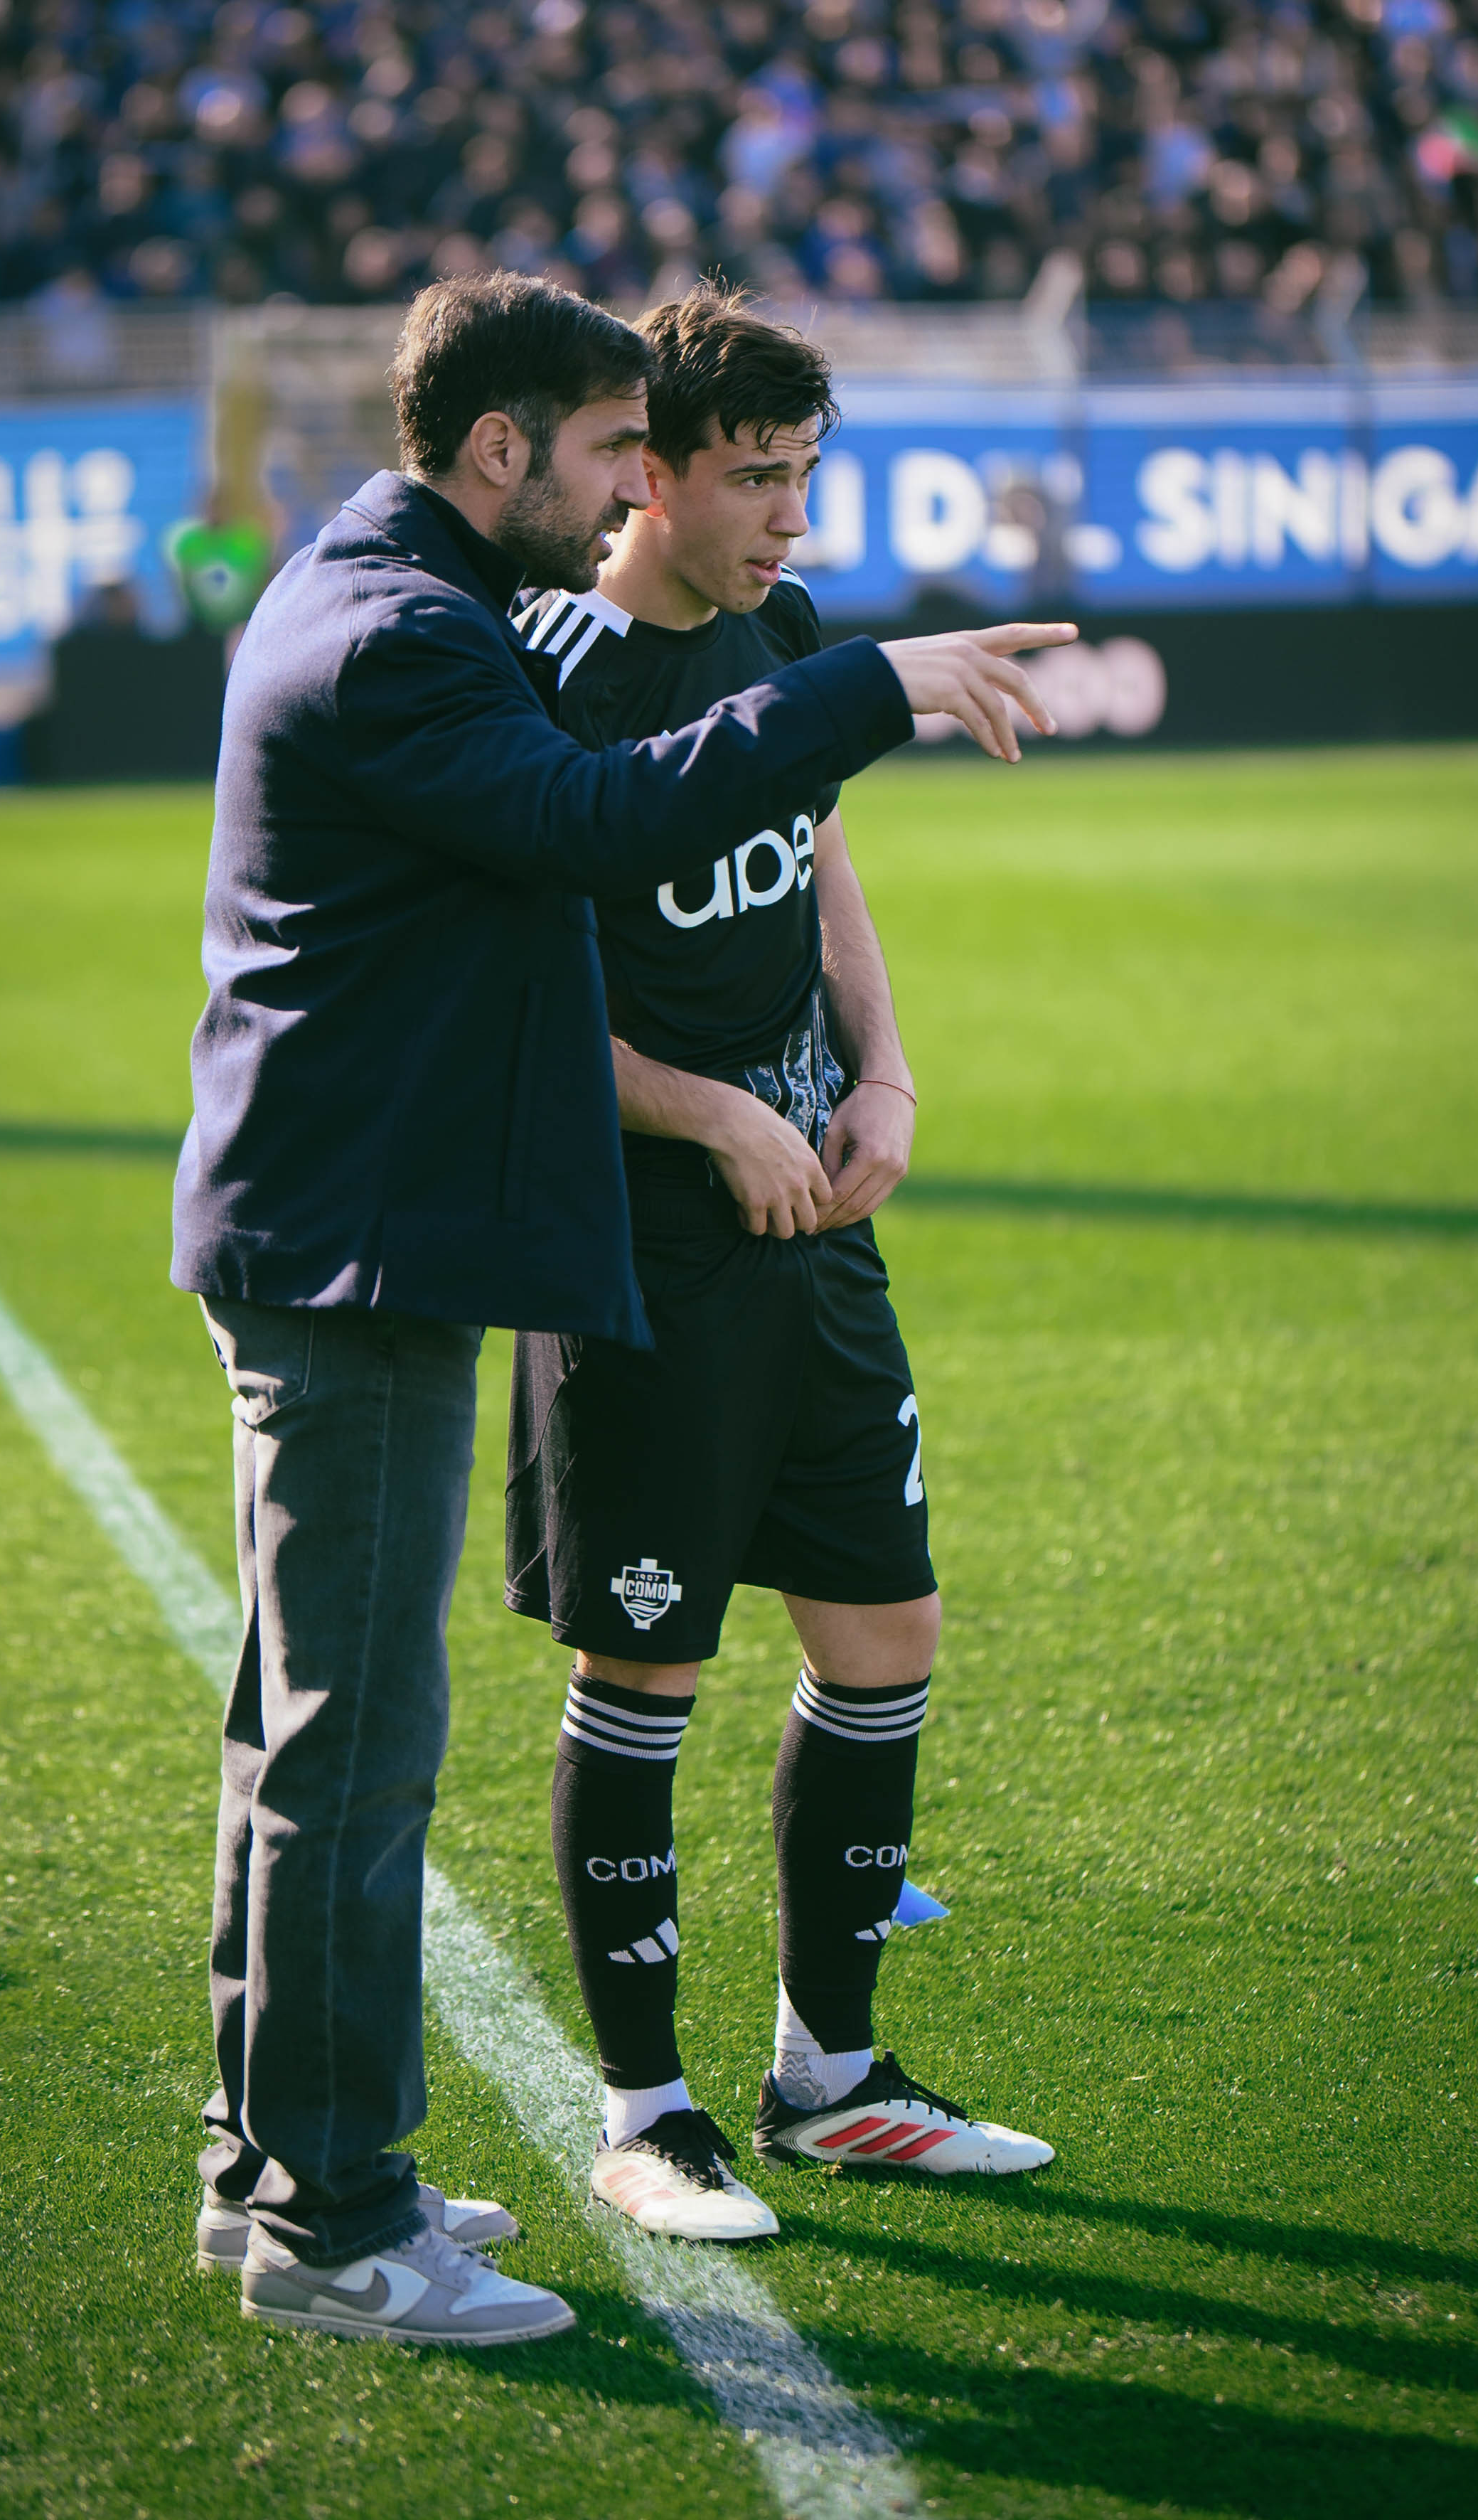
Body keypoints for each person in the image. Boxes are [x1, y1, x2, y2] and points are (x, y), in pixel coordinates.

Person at [169, 268, 1076, 2342]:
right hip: (395, 1244)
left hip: (415, 1231)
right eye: (611, 454)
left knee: (315, 1737)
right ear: (516, 449)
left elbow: (774, 849)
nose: (623, 490)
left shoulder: (393, 596)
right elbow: (597, 825)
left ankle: (294, 2169)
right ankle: (349, 2212)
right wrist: (879, 685)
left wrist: (874, 1070)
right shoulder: (426, 636)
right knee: (352, 1754)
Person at [506, 287, 1056, 2245]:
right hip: (642, 1246)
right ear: (641, 475)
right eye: (754, 477)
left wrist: (881, 1073)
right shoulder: (545, 677)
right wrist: (706, 1114)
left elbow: (817, 860)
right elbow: (504, 1005)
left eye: (805, 473)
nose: (789, 516)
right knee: (645, 1663)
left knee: (884, 1633)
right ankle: (644, 2114)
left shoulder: (789, 634)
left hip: (818, 1223)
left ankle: (832, 2079)